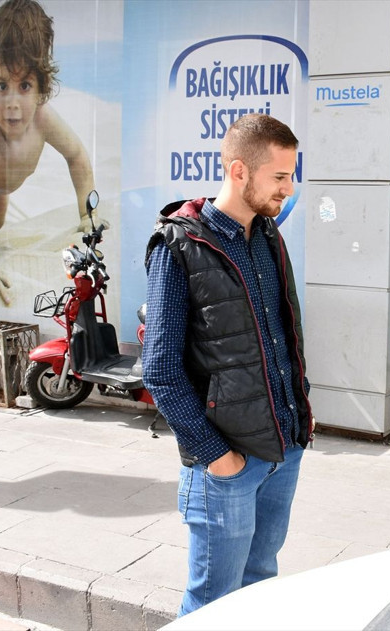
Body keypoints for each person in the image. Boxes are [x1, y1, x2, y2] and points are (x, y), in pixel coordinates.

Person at [142, 113, 314, 617]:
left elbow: (283, 335)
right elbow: (160, 370)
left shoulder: (266, 235)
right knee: (211, 604)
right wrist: (216, 456)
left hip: (282, 449)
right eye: (279, 176)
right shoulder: (179, 246)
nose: (289, 187)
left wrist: (298, 417)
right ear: (240, 172)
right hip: (226, 465)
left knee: (260, 587)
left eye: (291, 174)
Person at [0, 0, 98, 306]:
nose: (12, 102)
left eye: (24, 85)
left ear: (42, 87)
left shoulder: (44, 119)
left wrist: (86, 214)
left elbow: (77, 156)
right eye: (2, 86)